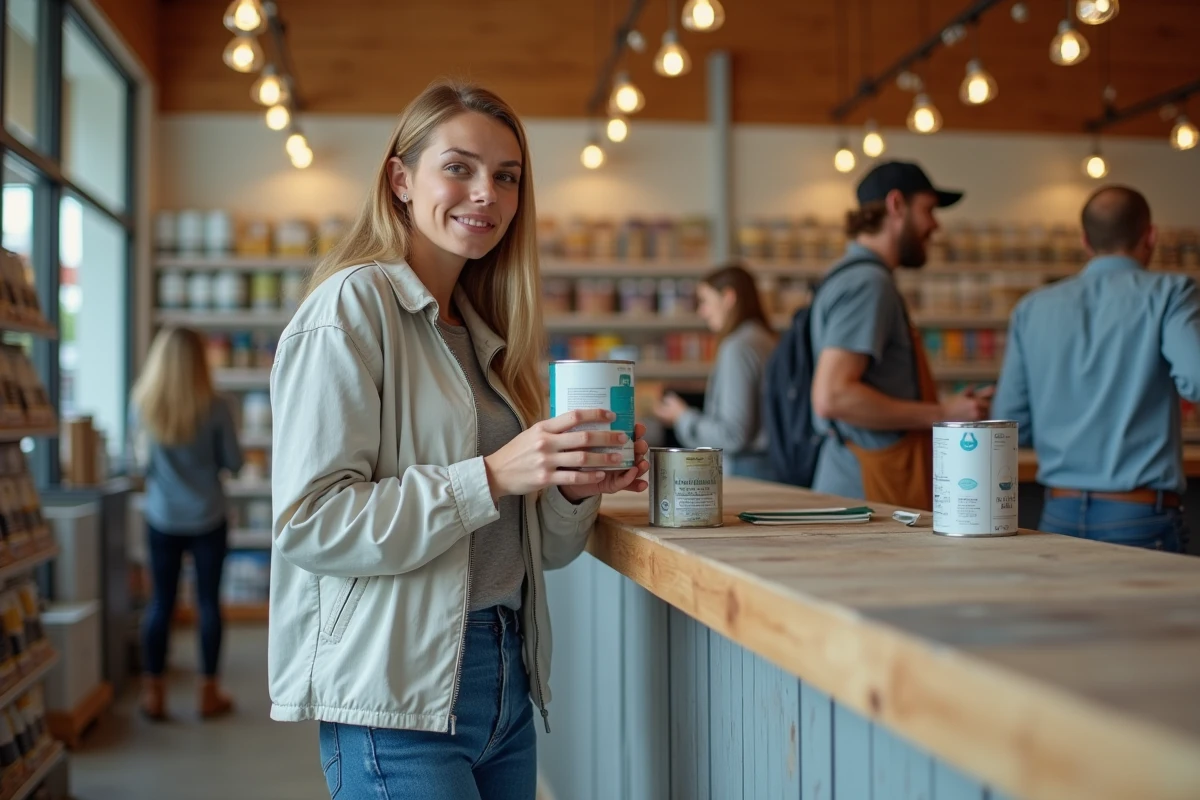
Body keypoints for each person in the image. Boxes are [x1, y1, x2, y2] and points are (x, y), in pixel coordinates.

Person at [267, 80, 650, 800]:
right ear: (401, 178)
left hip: (506, 678)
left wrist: (570, 486)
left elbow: (547, 554)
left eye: (507, 177)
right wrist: (494, 475)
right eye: (460, 168)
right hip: (398, 689)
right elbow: (311, 525)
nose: (487, 195)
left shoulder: (483, 336)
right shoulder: (353, 307)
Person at [993, 186, 1200, 552]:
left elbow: (1010, 423)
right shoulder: (1171, 292)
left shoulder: (1032, 308)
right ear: (1151, 236)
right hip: (1140, 516)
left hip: (1057, 513)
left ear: (1085, 241)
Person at [809, 161, 991, 509]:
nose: (935, 225)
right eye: (929, 209)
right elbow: (833, 396)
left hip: (861, 486)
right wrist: (942, 412)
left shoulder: (853, 276)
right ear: (896, 205)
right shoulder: (868, 284)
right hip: (864, 497)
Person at [128, 327, 242, 721]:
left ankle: (153, 693)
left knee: (161, 602)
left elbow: (141, 465)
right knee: (209, 604)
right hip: (208, 515)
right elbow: (234, 462)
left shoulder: (143, 405)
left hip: (162, 516)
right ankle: (208, 693)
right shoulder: (215, 405)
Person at [654, 264, 778, 479]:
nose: (702, 312)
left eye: (705, 301)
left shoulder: (738, 347)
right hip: (770, 468)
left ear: (728, 297)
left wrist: (682, 417)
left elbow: (733, 435)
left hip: (747, 473)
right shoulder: (765, 339)